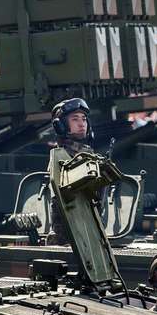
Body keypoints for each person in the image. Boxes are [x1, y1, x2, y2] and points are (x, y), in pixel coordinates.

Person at [48, 98, 94, 245]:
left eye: (84, 119)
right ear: (60, 126)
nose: (82, 124)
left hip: (88, 233)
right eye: (75, 119)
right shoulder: (61, 157)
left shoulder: (87, 155)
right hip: (68, 240)